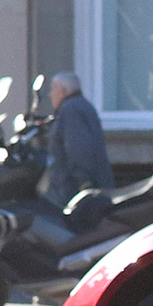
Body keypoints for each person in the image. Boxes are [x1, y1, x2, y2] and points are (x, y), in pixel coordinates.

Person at [44, 72, 113, 208]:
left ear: (63, 91)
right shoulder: (82, 106)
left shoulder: (70, 110)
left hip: (72, 187)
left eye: (53, 89)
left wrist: (83, 181)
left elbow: (78, 148)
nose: (50, 94)